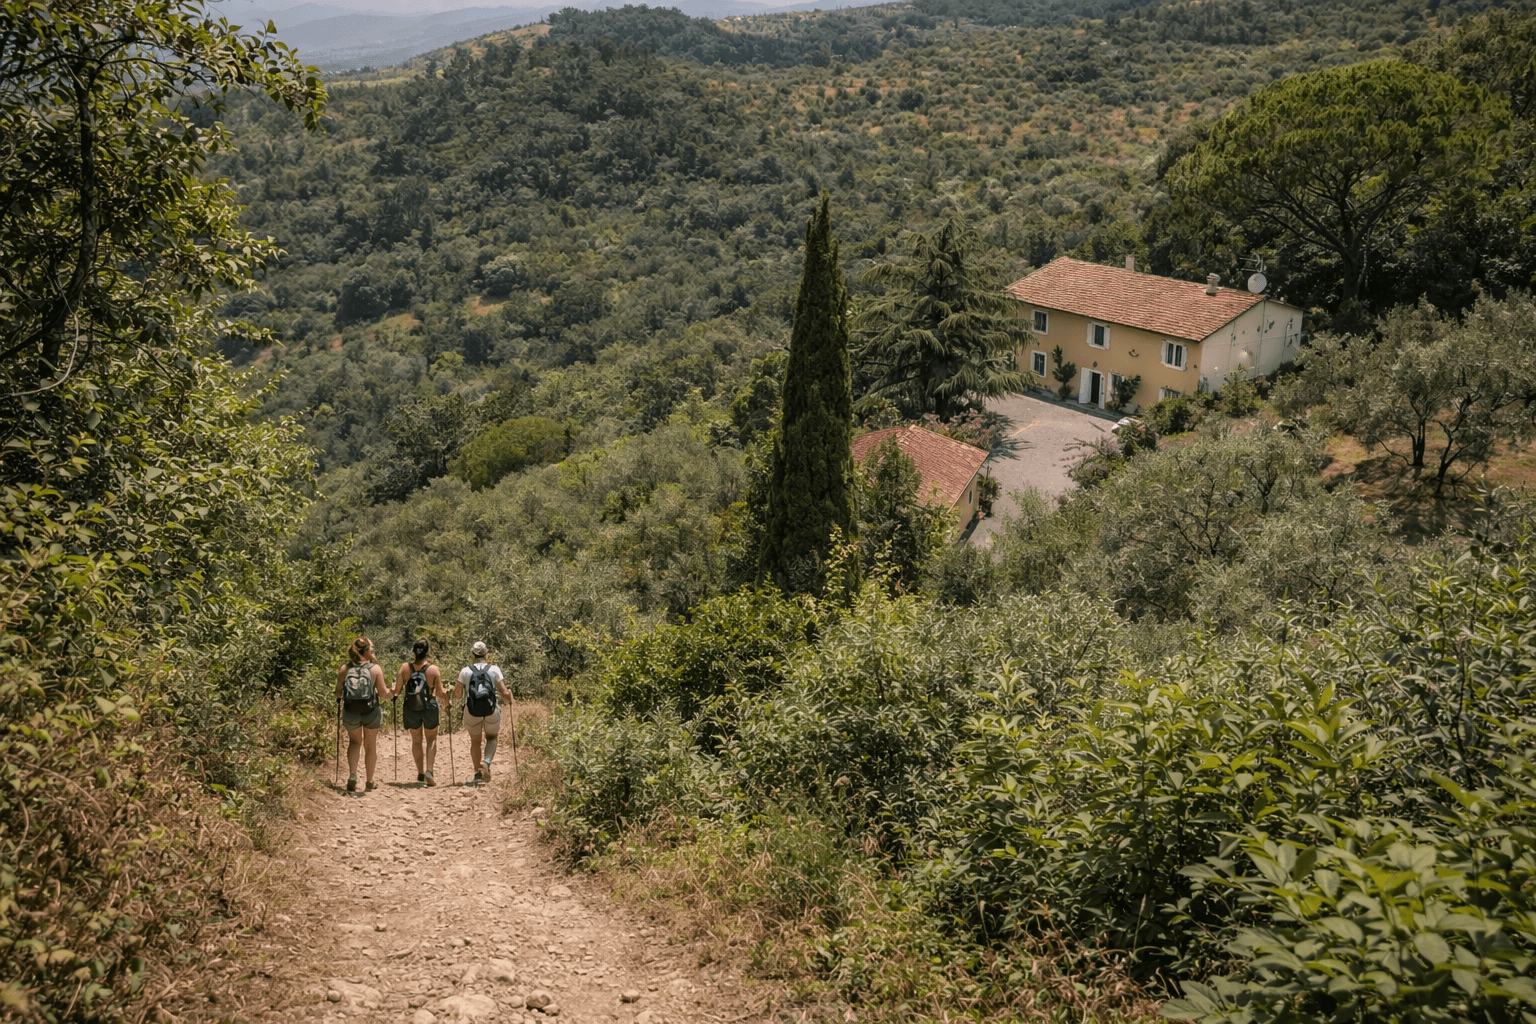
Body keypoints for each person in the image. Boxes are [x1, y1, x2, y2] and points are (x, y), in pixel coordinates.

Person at [453, 641, 513, 784]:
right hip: (491, 710)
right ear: (486, 654)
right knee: (492, 737)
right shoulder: (494, 669)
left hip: (472, 711)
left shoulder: (465, 671)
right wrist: (510, 699)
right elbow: (504, 692)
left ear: (472, 655)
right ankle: (486, 762)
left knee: (475, 741)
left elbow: (457, 695)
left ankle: (478, 774)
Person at [336, 636, 389, 793]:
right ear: (366, 651)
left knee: (354, 742)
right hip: (371, 711)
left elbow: (338, 693)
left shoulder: (345, 669)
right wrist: (392, 691)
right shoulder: (375, 669)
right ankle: (369, 781)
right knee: (370, 746)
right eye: (371, 647)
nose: (373, 649)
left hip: (350, 711)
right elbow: (383, 694)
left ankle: (352, 775)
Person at [393, 638, 449, 786]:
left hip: (411, 708)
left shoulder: (405, 668)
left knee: (416, 740)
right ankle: (429, 771)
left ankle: (420, 772)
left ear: (413, 651)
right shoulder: (433, 669)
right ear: (427, 652)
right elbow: (439, 692)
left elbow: (396, 690)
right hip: (429, 706)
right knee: (431, 739)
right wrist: (447, 702)